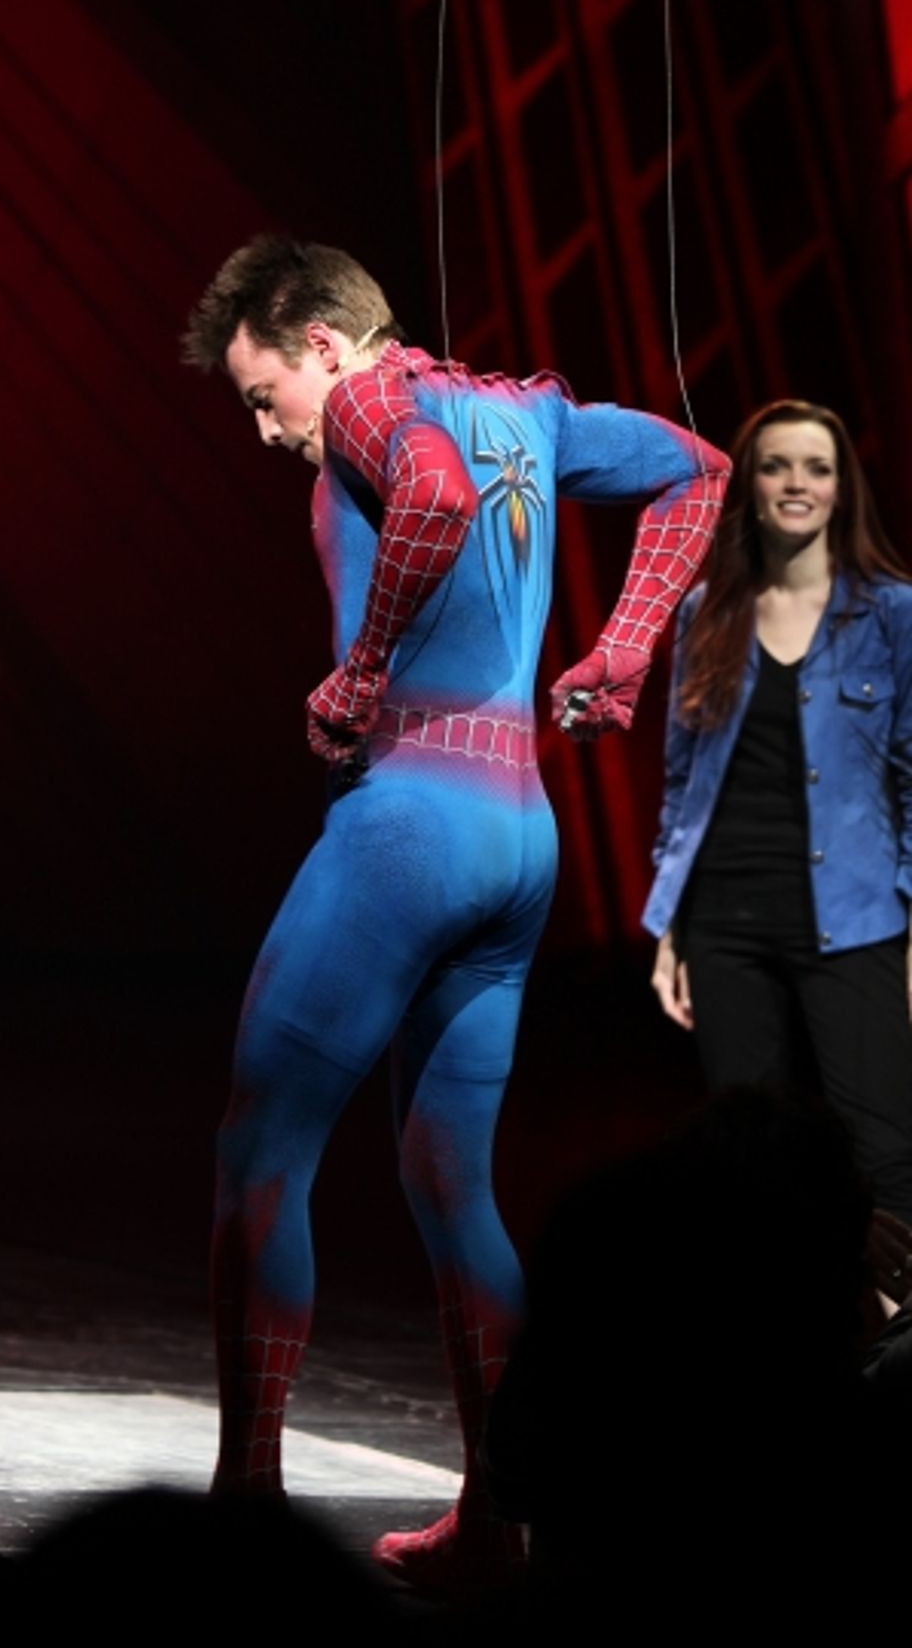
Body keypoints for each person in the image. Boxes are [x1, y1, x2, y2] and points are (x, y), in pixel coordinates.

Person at [182, 236, 728, 1587]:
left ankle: (248, 1515)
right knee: (451, 1183)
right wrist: (622, 648)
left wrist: (362, 674)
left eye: (264, 397)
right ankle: (500, 1519)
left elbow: (423, 491)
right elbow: (698, 473)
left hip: (412, 817)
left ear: (320, 339)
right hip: (518, 837)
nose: (268, 432)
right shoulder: (525, 411)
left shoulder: (372, 396)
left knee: (261, 1154)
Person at [646, 399, 912, 1232]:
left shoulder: (894, 614)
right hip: (725, 918)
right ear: (750, 486)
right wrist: (671, 927)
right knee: (743, 1156)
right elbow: (681, 782)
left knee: (884, 1148)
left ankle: (889, 1339)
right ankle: (766, 1343)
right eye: (776, 466)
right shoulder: (704, 614)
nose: (797, 483)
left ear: (842, 490)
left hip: (857, 919)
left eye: (817, 468)